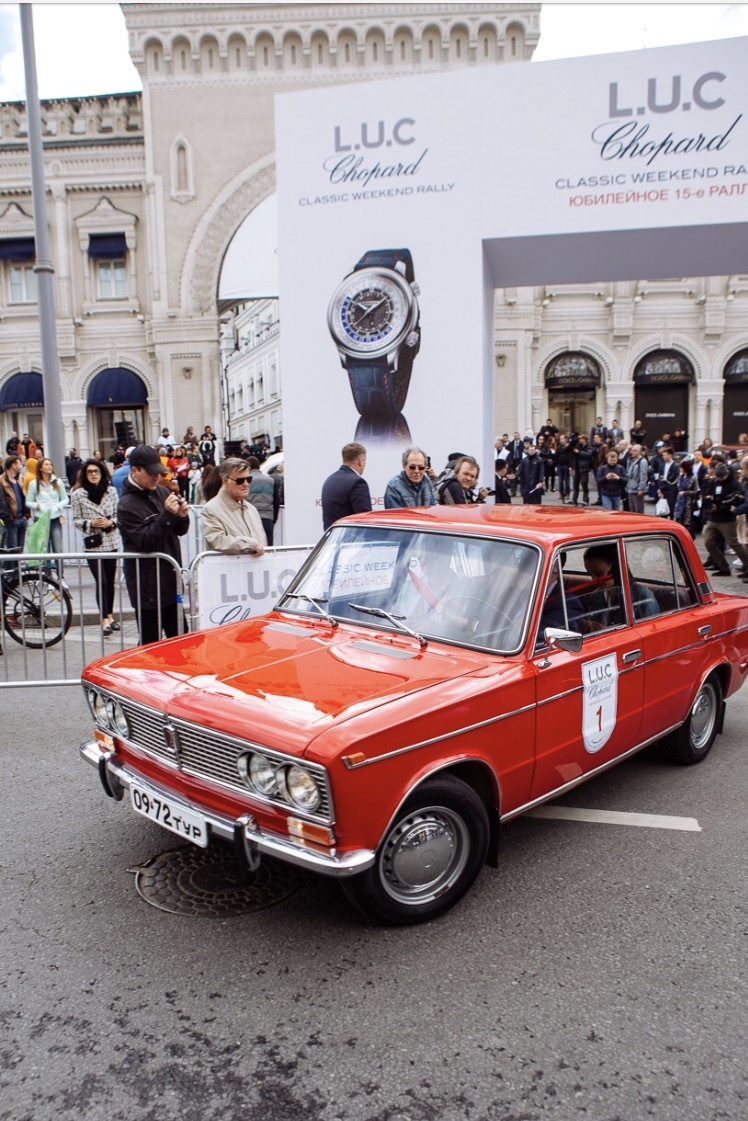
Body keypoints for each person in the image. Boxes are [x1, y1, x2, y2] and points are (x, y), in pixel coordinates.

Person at [117, 444, 190, 644]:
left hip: (170, 583)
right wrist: (167, 515)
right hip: (147, 590)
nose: (156, 477)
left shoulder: (162, 492)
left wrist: (182, 517)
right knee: (150, 648)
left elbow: (180, 531)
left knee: (182, 643)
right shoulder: (126, 505)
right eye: (151, 473)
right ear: (135, 471)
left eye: (158, 472)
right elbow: (147, 542)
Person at [71, 459, 121, 636]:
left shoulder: (112, 492)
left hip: (111, 542)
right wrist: (91, 523)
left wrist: (110, 522)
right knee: (102, 581)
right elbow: (76, 520)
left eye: (96, 471)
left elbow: (118, 515)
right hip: (93, 544)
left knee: (111, 581)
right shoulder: (77, 494)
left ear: (102, 473)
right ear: (85, 474)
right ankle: (104, 620)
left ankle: (110, 615)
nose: (93, 474)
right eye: (90, 472)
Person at [201, 457, 267, 555]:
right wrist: (251, 545)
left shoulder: (251, 509)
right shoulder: (210, 509)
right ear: (225, 481)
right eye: (240, 481)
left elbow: (262, 544)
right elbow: (217, 541)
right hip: (228, 569)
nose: (246, 484)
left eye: (249, 479)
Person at [702, 463, 748, 579]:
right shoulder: (713, 481)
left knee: (734, 543)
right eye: (718, 477)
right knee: (708, 542)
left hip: (727, 518)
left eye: (721, 477)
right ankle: (722, 566)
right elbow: (707, 492)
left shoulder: (734, 484)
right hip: (713, 517)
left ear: (726, 474)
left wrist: (722, 506)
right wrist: (708, 501)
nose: (719, 479)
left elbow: (738, 500)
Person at [26, 457, 70, 571]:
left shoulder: (58, 482)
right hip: (40, 519)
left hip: (55, 518)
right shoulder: (34, 484)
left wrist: (58, 507)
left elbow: (65, 499)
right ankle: (47, 576)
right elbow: (28, 501)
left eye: (50, 464)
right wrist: (38, 506)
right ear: (40, 468)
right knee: (44, 549)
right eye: (46, 464)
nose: (49, 466)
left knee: (58, 549)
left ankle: (61, 577)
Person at [321, 442, 372, 529]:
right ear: (361, 461)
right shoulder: (358, 483)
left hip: (332, 538)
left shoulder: (329, 480)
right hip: (351, 539)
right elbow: (364, 519)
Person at [0, 454, 30, 553]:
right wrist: (7, 516)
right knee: (12, 550)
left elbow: (24, 497)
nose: (21, 466)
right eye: (19, 464)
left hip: (22, 519)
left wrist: (26, 515)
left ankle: (17, 569)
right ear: (13, 465)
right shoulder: (1, 481)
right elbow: (2, 501)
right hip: (11, 520)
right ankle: (11, 568)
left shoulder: (19, 480)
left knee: (19, 549)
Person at [245, 455, 278, 544]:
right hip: (267, 518)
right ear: (258, 466)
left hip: (250, 519)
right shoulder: (270, 481)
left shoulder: (246, 481)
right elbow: (276, 502)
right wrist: (273, 519)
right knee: (269, 546)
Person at [674, 458, 700, 539]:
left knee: (687, 522)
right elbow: (674, 484)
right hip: (680, 502)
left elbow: (695, 491)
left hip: (688, 503)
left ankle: (689, 537)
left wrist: (685, 493)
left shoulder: (693, 478)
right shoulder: (680, 477)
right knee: (679, 520)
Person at [625, 444, 649, 514]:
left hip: (637, 489)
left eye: (634, 450)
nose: (632, 452)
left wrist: (641, 488)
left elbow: (643, 475)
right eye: (631, 450)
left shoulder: (642, 461)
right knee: (632, 509)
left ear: (639, 451)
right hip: (630, 488)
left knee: (638, 509)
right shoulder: (631, 461)